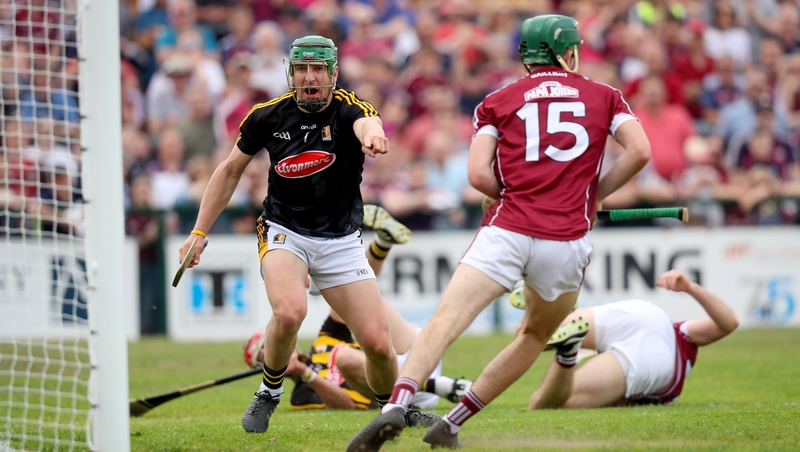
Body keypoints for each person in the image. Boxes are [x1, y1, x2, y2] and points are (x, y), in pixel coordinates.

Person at [348, 15, 651, 451]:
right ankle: (452, 423)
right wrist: (594, 195)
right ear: (569, 52)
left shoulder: (497, 101)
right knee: (533, 336)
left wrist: (504, 192)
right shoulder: (605, 96)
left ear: (525, 55)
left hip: (507, 229)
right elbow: (639, 151)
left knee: (443, 323)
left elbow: (477, 175)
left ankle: (396, 403)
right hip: (565, 241)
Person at [178, 35, 399, 435]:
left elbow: (370, 120)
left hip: (341, 240)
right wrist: (199, 230)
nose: (309, 78)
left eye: (318, 69)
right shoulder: (266, 116)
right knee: (290, 311)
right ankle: (269, 392)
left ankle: (393, 412)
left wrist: (373, 134)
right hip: (285, 231)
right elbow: (230, 171)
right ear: (290, 73)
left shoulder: (350, 109)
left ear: (333, 73)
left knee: (379, 344)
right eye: (301, 69)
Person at [242, 205, 472, 423]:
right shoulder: (301, 393)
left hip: (411, 355)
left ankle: (382, 242)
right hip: (407, 392)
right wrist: (305, 373)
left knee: (352, 301)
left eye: (265, 344)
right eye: (263, 355)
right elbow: (347, 405)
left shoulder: (324, 341)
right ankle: (434, 384)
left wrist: (317, 281)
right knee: (343, 356)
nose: (268, 350)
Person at [517, 269, 739, 409]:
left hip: (642, 314)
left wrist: (690, 287)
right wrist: (690, 288)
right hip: (654, 359)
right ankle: (568, 347)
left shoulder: (683, 332)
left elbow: (728, 323)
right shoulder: (682, 345)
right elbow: (729, 323)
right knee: (547, 404)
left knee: (529, 337)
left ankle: (548, 309)